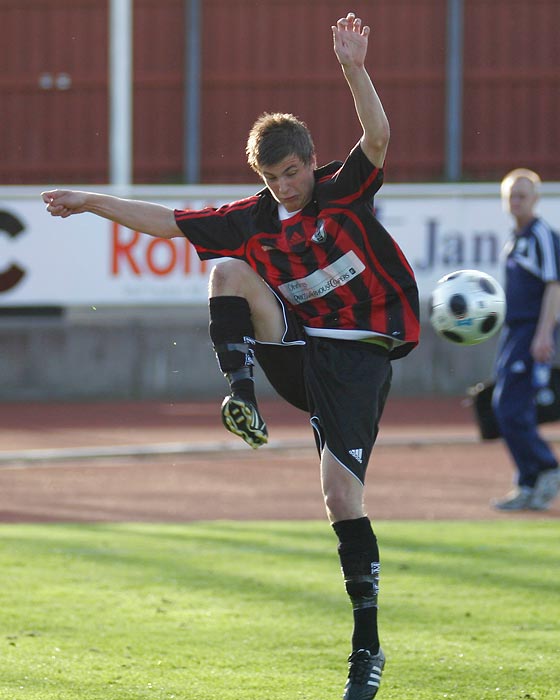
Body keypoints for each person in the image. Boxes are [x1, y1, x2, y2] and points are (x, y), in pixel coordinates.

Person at [42, 13, 419, 698]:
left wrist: (353, 69)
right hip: (298, 348)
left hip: (359, 359)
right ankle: (239, 394)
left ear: (311, 161)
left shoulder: (341, 189)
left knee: (339, 499)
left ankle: (367, 647)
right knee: (224, 273)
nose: (287, 185)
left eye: (294, 171)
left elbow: (379, 137)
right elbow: (168, 223)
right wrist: (89, 201)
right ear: (261, 175)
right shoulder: (252, 218)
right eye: (274, 176)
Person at [492, 168, 560, 511]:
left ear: (535, 199)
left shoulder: (541, 235)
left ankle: (546, 467)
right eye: (511, 196)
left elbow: (554, 285)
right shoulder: (514, 239)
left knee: (510, 406)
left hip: (532, 330)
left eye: (522, 195)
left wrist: (544, 333)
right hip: (513, 330)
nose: (516, 201)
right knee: (502, 406)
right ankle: (528, 481)